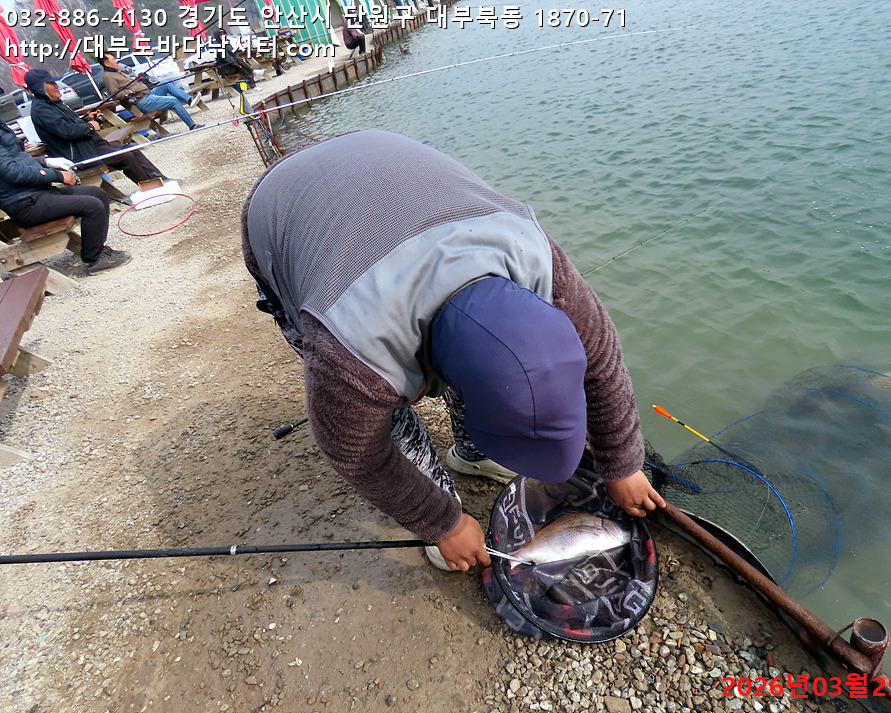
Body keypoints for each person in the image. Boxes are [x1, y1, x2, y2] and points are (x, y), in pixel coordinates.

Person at [242, 130, 665, 574]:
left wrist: (621, 463)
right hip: (282, 206)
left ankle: (472, 454)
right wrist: (441, 522)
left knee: (488, 360)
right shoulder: (351, 355)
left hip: (389, 167)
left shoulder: (547, 273)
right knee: (386, 417)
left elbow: (603, 364)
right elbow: (356, 453)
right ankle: (444, 494)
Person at [0, 121, 131, 274]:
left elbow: (19, 158)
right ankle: (94, 260)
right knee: (92, 205)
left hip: (40, 193)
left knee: (98, 193)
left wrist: (46, 161)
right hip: (25, 203)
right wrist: (58, 176)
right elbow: (12, 171)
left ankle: (97, 249)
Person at [25, 68, 170, 186]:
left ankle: (160, 179)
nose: (57, 86)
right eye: (51, 83)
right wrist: (90, 127)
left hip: (89, 145)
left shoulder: (54, 103)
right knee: (125, 156)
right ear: (40, 88)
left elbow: (70, 124)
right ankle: (150, 187)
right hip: (80, 154)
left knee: (131, 148)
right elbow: (66, 131)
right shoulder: (42, 109)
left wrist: (89, 119)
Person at [97, 53, 204, 131]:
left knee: (165, 83)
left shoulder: (116, 72)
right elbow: (114, 94)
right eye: (113, 59)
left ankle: (189, 100)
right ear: (106, 63)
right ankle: (192, 125)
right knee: (173, 101)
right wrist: (128, 91)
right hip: (142, 101)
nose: (116, 61)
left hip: (148, 94)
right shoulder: (108, 76)